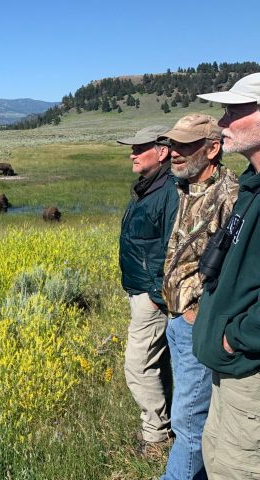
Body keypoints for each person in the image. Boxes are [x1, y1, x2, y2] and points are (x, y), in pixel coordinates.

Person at [160, 114, 239, 479]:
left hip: (198, 324)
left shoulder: (230, 195)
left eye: (186, 145)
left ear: (212, 149)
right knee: (191, 416)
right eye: (173, 144)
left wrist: (202, 312)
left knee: (189, 424)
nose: (174, 152)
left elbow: (239, 269)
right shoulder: (185, 188)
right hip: (176, 321)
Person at [193, 72, 260, 479]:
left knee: (238, 470)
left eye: (236, 110)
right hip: (230, 369)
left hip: (249, 370)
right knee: (217, 459)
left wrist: (235, 337)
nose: (222, 122)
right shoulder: (251, 186)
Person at [117, 125, 178, 454]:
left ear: (163, 151)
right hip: (139, 291)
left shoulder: (169, 190)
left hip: (151, 297)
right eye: (132, 148)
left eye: (140, 148)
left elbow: (173, 247)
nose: (132, 153)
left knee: (138, 365)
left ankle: (155, 438)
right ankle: (168, 425)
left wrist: (157, 295)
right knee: (157, 362)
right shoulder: (148, 187)